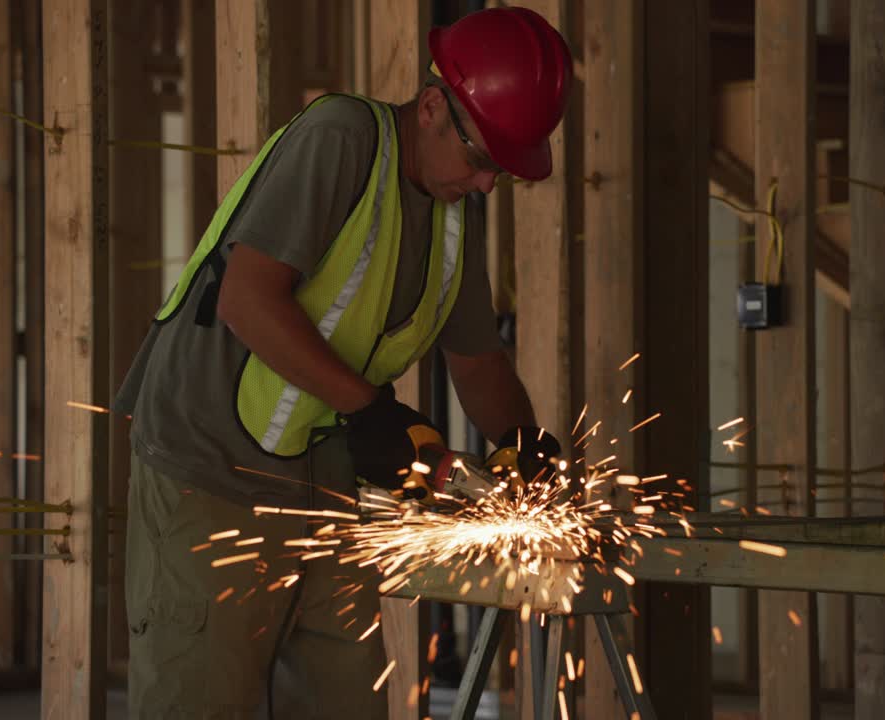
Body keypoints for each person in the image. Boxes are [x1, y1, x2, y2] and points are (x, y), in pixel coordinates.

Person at [113, 7, 572, 719]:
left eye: (501, 172)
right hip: (206, 473)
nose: (487, 185)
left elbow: (479, 364)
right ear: (429, 108)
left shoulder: (456, 217)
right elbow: (247, 299)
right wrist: (372, 410)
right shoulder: (341, 139)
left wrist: (523, 447)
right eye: (484, 160)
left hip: (321, 485)